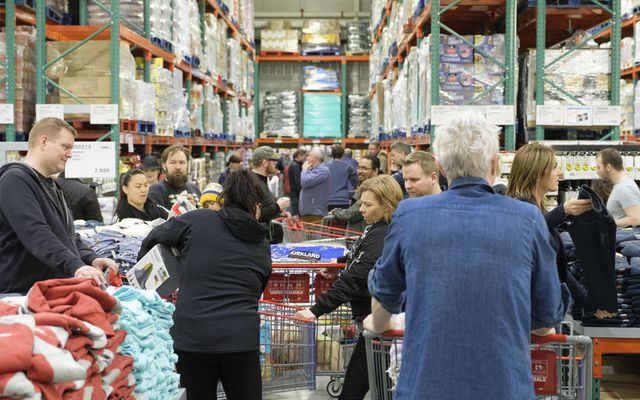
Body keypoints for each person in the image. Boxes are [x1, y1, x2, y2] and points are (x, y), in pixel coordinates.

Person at [365, 112, 564, 400]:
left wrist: (377, 324)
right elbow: (546, 318)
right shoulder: (527, 218)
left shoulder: (409, 215)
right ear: (495, 165)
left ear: (442, 166)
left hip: (425, 388)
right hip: (504, 387)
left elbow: (384, 296)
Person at [138, 170, 271, 400]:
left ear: (225, 197)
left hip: (192, 337)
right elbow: (257, 287)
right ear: (256, 206)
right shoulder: (262, 243)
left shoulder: (197, 220)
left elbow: (153, 238)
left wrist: (174, 265)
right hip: (240, 338)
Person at [295, 175, 403, 400]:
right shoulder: (375, 228)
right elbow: (358, 258)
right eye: (361, 203)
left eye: (368, 204)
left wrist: (315, 311)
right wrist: (338, 266)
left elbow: (355, 279)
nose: (361, 209)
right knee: (380, 389)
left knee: (354, 390)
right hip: (372, 324)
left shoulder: (382, 234)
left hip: (378, 326)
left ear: (386, 205)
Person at [0, 117, 117, 294]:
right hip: (19, 294)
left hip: (46, 291)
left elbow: (67, 236)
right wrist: (75, 265)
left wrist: (91, 258)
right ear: (44, 142)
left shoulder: (53, 186)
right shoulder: (15, 180)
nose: (70, 154)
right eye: (66, 146)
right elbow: (36, 232)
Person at [506, 143, 595, 316]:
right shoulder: (519, 209)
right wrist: (563, 211)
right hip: (530, 315)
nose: (560, 173)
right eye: (554, 167)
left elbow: (556, 268)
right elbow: (529, 229)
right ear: (537, 173)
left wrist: (586, 300)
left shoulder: (537, 210)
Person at [330, 155, 380, 233]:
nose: (359, 171)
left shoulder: (373, 189)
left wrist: (335, 212)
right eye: (358, 167)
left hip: (363, 234)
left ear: (375, 171)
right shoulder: (364, 186)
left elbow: (352, 213)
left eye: (364, 168)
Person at [148, 145, 201, 211]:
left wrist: (194, 208)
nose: (178, 167)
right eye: (173, 163)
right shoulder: (156, 191)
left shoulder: (194, 188)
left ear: (187, 165)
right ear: (164, 166)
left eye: (182, 162)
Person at [596, 148, 640, 227]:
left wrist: (607, 223)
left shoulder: (625, 188)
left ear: (608, 167)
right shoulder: (621, 186)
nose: (597, 172)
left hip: (623, 238)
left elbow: (636, 219)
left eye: (599, 167)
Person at [251, 146, 290, 223]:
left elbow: (265, 205)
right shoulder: (252, 182)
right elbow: (255, 214)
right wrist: (277, 206)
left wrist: (280, 214)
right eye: (274, 160)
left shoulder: (262, 180)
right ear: (265, 163)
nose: (276, 163)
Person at [300, 147, 331, 223]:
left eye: (309, 156)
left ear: (315, 158)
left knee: (314, 234)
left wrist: (304, 170)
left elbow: (305, 182)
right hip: (310, 212)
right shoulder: (314, 170)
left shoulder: (323, 170)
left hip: (315, 213)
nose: (307, 158)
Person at [326, 144, 358, 211]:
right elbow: (355, 180)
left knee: (328, 220)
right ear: (343, 154)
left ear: (332, 154)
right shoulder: (347, 167)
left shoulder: (325, 166)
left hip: (328, 201)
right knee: (342, 221)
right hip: (343, 201)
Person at [287, 149, 307, 216]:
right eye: (304, 156)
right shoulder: (295, 166)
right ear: (299, 156)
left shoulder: (295, 164)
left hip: (295, 194)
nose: (305, 158)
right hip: (296, 195)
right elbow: (298, 182)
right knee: (297, 215)